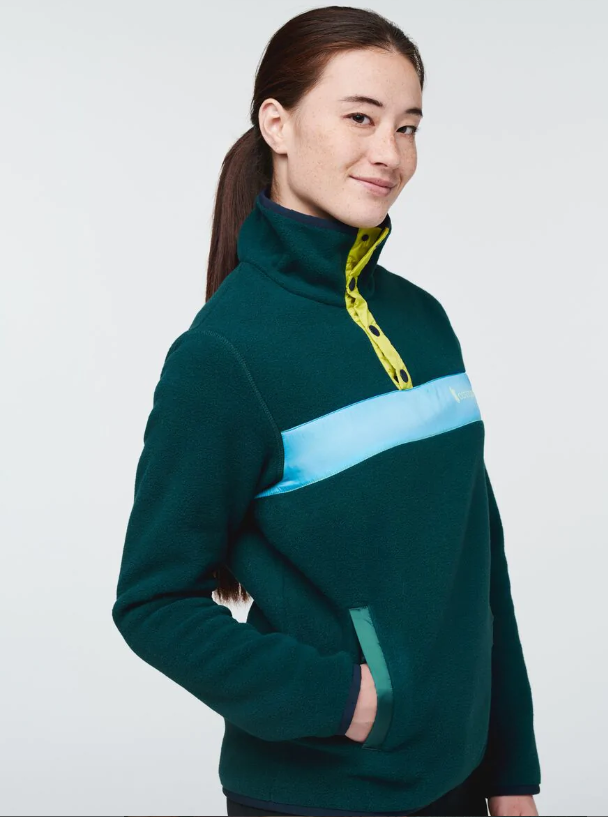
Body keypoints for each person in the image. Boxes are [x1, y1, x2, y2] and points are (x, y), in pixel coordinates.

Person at [111, 6, 542, 817]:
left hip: (458, 778)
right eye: (360, 118)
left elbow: (479, 557)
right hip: (320, 795)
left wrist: (510, 766)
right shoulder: (224, 354)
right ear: (276, 123)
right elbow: (151, 601)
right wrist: (344, 700)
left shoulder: (424, 319)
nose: (391, 153)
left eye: (408, 126)